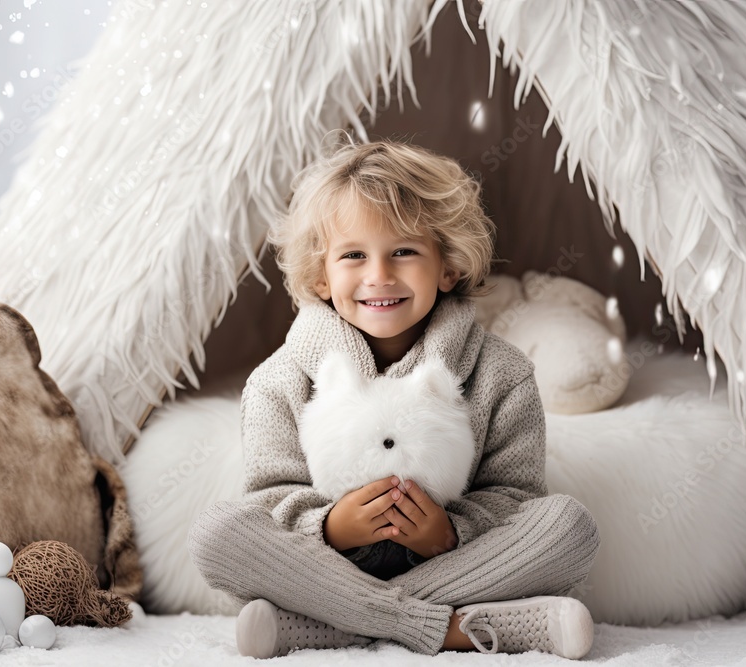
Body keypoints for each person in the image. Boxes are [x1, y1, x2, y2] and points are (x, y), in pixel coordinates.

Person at [188, 137, 600, 659]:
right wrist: (331, 527)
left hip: (455, 564)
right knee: (217, 534)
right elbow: (270, 499)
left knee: (569, 527)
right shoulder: (277, 381)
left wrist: (448, 533)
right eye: (353, 255)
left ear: (448, 266)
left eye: (404, 251)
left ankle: (334, 627)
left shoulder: (504, 373)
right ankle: (447, 628)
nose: (378, 275)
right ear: (320, 275)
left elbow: (515, 496)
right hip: (326, 568)